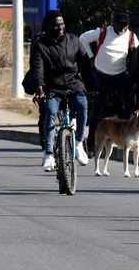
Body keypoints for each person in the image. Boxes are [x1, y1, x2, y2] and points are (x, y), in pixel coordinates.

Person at [23, 10, 91, 172]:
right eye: (56, 25)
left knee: (82, 105)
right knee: (51, 112)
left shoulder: (74, 41)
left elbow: (86, 66)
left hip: (74, 85)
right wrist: (39, 89)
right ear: (47, 26)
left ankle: (79, 143)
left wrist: (93, 86)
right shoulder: (40, 45)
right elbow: (37, 69)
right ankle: (48, 154)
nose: (60, 27)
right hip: (52, 87)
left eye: (62, 24)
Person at [80, 10, 139, 155]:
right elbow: (82, 38)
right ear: (114, 23)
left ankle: (127, 139)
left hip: (120, 76)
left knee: (129, 107)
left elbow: (138, 51)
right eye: (121, 25)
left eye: (126, 25)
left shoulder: (131, 36)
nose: (123, 28)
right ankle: (91, 143)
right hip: (101, 76)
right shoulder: (102, 32)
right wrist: (91, 57)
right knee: (96, 111)